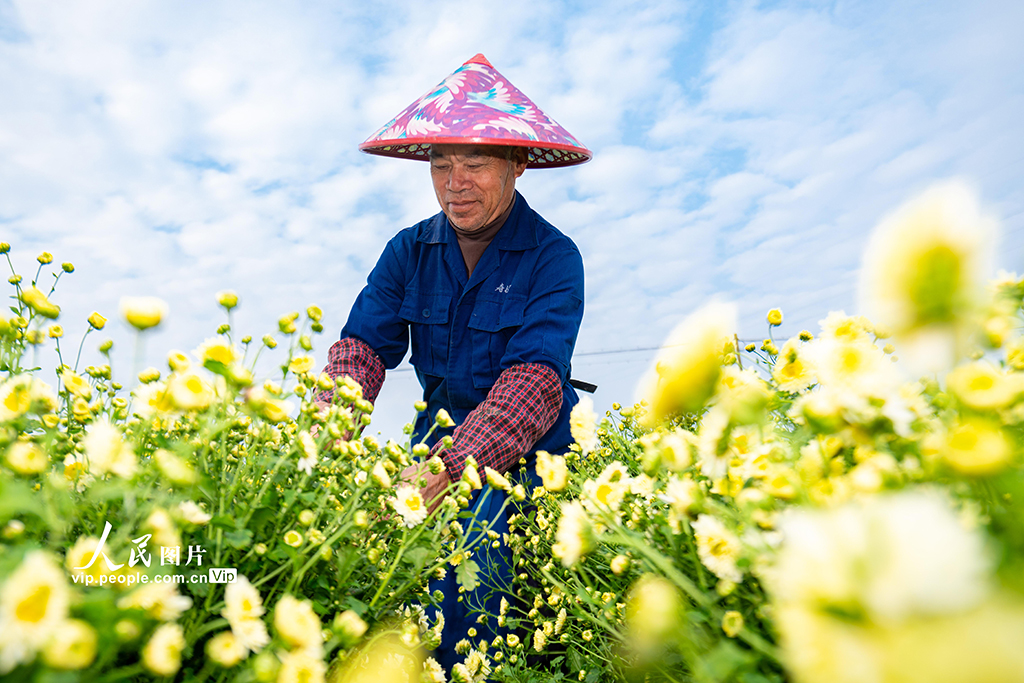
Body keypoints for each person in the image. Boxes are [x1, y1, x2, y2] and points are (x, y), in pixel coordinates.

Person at [316, 54, 592, 670]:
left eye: (475, 164)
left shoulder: (553, 256)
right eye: (441, 165)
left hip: (529, 450)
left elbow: (534, 382)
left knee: (476, 572)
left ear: (518, 165)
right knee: (385, 575)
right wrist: (323, 443)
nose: (454, 182)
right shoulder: (408, 249)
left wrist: (450, 467)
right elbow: (361, 350)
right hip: (435, 439)